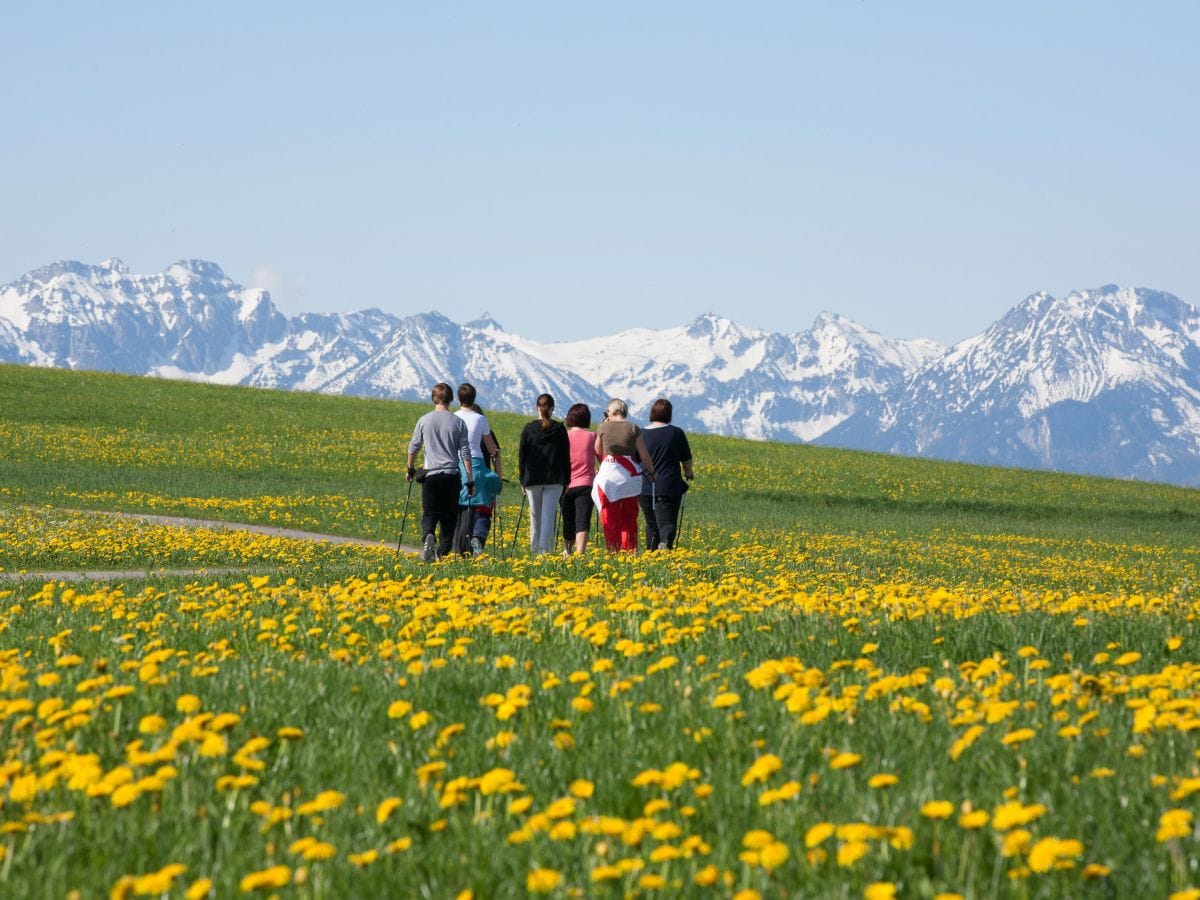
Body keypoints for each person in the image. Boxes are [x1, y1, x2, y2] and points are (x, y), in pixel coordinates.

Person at [407, 383, 473, 562]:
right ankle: (442, 553)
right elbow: (465, 452)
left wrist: (410, 469)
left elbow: (414, 447)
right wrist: (469, 478)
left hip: (431, 476)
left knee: (430, 512)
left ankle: (428, 535)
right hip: (451, 475)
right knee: (449, 518)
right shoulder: (458, 422)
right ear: (451, 399)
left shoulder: (424, 420)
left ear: (434, 398)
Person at [592, 398, 656, 552]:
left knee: (610, 516)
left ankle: (613, 550)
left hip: (609, 475)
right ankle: (629, 550)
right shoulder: (633, 428)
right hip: (630, 477)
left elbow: (598, 451)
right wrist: (652, 472)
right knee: (629, 516)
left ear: (611, 411)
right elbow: (644, 455)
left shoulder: (603, 427)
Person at [453, 385, 503, 555]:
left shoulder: (453, 417)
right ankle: (478, 536)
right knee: (482, 507)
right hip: (478, 466)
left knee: (461, 508)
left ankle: (459, 547)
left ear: (458, 398)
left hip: (458, 465)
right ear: (474, 399)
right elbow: (492, 449)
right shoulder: (480, 419)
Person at [517, 393, 570, 553]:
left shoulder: (528, 429)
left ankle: (534, 551)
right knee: (548, 517)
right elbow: (566, 456)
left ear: (537, 408)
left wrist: (522, 480)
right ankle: (545, 553)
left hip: (533, 479)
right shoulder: (559, 429)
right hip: (555, 479)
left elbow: (522, 457)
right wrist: (567, 480)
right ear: (552, 408)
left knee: (535, 517)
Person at [639, 398, 694, 550]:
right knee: (667, 522)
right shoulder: (676, 433)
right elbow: (686, 459)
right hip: (668, 485)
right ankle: (665, 546)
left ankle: (651, 552)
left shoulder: (641, 433)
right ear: (669, 414)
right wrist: (689, 473)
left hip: (645, 486)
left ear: (652, 413)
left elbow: (636, 459)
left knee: (651, 524)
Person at [560, 403, 599, 556]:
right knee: (582, 521)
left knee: (568, 521)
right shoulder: (592, 436)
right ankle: (580, 554)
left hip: (566, 485)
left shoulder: (564, 436)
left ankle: (568, 552)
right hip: (586, 483)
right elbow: (601, 457)